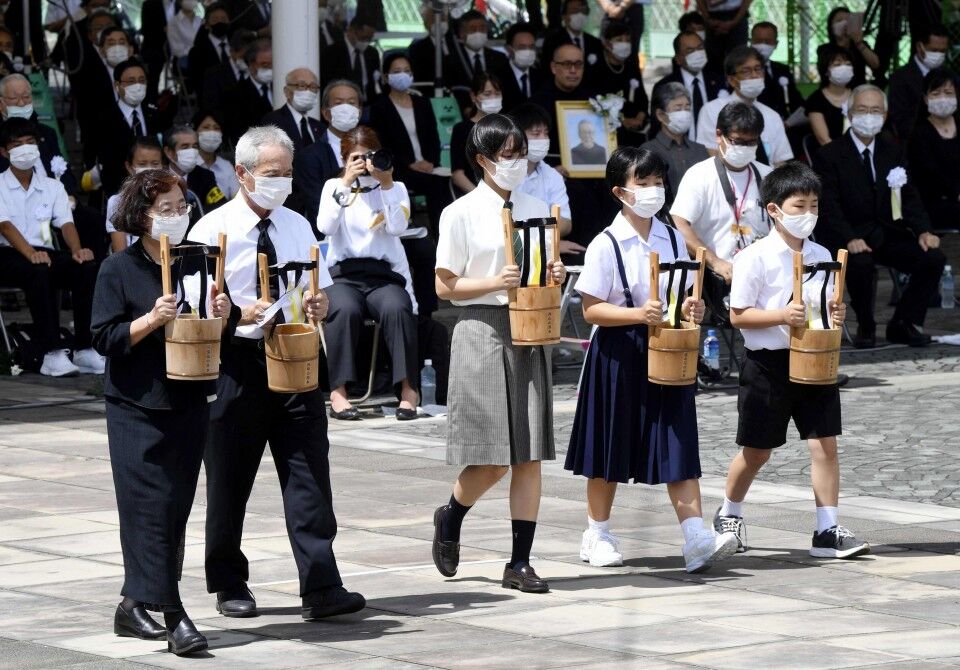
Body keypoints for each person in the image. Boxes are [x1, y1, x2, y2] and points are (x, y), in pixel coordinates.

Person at [188, 125, 365, 621]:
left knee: (309, 471)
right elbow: (194, 305)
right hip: (238, 362)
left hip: (295, 355)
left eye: (287, 174)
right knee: (228, 478)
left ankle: (321, 583)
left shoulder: (297, 225)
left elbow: (320, 288)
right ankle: (228, 581)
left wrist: (320, 301)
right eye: (272, 174)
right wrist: (236, 313)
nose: (281, 182)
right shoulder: (211, 230)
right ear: (242, 174)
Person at [565, 147, 737, 571]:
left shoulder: (672, 235)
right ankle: (597, 533)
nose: (653, 191)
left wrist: (693, 309)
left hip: (668, 349)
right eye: (643, 183)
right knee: (609, 446)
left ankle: (696, 535)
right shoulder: (606, 243)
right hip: (619, 354)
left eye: (658, 182)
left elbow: (682, 291)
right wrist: (636, 314)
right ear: (620, 191)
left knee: (678, 439)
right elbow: (590, 309)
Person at [91, 169, 237, 656]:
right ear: (141, 217)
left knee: (174, 509)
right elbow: (104, 338)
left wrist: (223, 312)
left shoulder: (197, 261)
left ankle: (132, 606)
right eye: (165, 210)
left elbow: (221, 324)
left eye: (182, 207)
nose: (177, 216)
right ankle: (175, 617)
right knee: (148, 509)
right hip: (135, 405)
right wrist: (151, 319)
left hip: (189, 397)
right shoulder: (118, 268)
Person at [431, 114, 566, 593]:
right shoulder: (461, 212)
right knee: (493, 455)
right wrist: (495, 281)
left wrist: (554, 275)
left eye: (521, 151)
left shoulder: (538, 205)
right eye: (506, 154)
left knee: (528, 452)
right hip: (482, 325)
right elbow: (445, 285)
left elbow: (546, 269)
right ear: (483, 160)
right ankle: (451, 514)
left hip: (530, 325)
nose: (517, 161)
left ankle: (520, 561)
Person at [714, 161, 870, 560]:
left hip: (814, 361)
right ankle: (729, 512)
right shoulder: (754, 257)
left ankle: (827, 527)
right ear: (774, 209)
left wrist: (836, 315)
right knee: (757, 450)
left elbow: (827, 306)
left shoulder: (823, 254)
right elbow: (738, 315)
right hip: (767, 364)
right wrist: (781, 315)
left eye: (814, 206)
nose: (808, 215)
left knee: (825, 444)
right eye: (799, 206)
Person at [813, 84, 945, 349]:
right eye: (862, 109)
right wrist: (849, 237)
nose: (869, 115)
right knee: (860, 263)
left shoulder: (892, 149)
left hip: (886, 232)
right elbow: (828, 205)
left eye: (876, 110)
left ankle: (904, 322)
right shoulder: (830, 154)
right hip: (847, 235)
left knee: (933, 258)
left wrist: (923, 231)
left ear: (884, 116)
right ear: (849, 113)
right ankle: (866, 324)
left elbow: (908, 195)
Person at [316, 126, 419, 421]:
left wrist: (385, 184)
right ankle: (338, 392)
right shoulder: (332, 187)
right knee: (343, 309)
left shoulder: (394, 188)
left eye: (370, 157)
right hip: (343, 274)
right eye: (357, 158)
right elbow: (325, 226)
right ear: (345, 158)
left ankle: (409, 391)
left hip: (382, 274)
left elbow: (398, 228)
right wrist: (346, 181)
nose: (364, 164)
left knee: (397, 307)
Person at [0, 118, 103, 376]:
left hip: (43, 252)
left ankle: (85, 348)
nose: (25, 149)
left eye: (30, 143)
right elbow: (5, 227)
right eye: (17, 144)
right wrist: (30, 254)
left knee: (86, 267)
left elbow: (66, 223)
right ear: (4, 151)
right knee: (39, 270)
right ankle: (51, 353)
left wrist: (77, 249)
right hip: (6, 254)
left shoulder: (52, 186)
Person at [671, 103, 772, 319]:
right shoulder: (699, 175)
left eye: (752, 142)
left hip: (763, 272)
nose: (745, 148)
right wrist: (715, 262)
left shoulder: (768, 176)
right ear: (720, 135)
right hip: (717, 274)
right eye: (738, 141)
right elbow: (679, 223)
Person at [369, 52, 451, 233]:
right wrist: (411, 164)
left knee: (443, 182)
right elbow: (383, 144)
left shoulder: (422, 103)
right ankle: (434, 236)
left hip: (428, 167)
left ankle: (445, 235)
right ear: (386, 77)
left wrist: (430, 161)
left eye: (406, 71)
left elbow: (433, 137)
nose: (402, 74)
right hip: (400, 168)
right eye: (397, 71)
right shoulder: (380, 107)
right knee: (435, 184)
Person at [695, 45, 793, 166]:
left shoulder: (772, 116)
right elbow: (710, 153)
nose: (754, 75)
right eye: (746, 71)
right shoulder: (711, 110)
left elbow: (780, 161)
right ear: (731, 80)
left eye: (758, 69)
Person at [293, 79, 362, 227]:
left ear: (359, 112)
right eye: (338, 103)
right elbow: (316, 206)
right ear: (326, 113)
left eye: (351, 103)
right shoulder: (309, 157)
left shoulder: (372, 150)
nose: (346, 108)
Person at [89, 58, 161, 197]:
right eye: (131, 81)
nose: (137, 85)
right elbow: (103, 160)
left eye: (141, 80)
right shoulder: (103, 119)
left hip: (155, 188)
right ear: (117, 86)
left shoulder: (154, 114)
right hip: (118, 190)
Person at [641, 82, 708, 209]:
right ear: (661, 115)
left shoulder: (700, 150)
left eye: (687, 108)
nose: (684, 113)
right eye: (678, 109)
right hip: (665, 223)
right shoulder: (648, 151)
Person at [511, 103, 572, 237]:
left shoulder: (553, 175)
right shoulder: (504, 172)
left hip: (544, 247)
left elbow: (566, 222)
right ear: (517, 136)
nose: (543, 139)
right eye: (536, 134)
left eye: (546, 133)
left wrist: (542, 242)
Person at [908, 69, 960, 226]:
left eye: (948, 93)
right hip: (936, 201)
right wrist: (956, 193)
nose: (943, 98)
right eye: (936, 94)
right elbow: (930, 174)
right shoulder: (919, 134)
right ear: (925, 98)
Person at [650, 30, 724, 140]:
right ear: (678, 59)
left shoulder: (718, 81)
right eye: (690, 51)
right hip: (679, 150)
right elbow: (657, 127)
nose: (697, 53)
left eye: (700, 48)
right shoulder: (664, 86)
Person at [531, 43, 595, 164]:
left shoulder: (593, 101)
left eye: (578, 64)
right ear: (553, 67)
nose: (573, 70)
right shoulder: (537, 103)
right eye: (566, 64)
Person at [887, 24, 952, 141]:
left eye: (943, 51)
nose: (939, 55)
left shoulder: (950, 77)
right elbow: (899, 120)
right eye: (934, 50)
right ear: (919, 47)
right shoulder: (900, 78)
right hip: (914, 145)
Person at [105, 136, 165, 253]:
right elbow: (120, 253)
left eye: (155, 163)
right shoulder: (117, 202)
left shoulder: (171, 198)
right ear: (130, 167)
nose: (149, 170)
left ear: (162, 166)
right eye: (143, 164)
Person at [592, 21, 648, 142]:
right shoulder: (597, 69)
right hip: (608, 130)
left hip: (636, 130)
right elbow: (596, 102)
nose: (624, 44)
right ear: (607, 44)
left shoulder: (631, 66)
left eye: (627, 40)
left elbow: (642, 98)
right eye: (619, 40)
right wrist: (622, 120)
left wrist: (639, 117)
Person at [450, 72, 502, 195]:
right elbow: (457, 175)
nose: (493, 98)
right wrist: (480, 196)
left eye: (497, 94)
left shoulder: (508, 127)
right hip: (476, 195)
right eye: (487, 94)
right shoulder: (461, 130)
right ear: (473, 96)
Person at [161, 125, 226, 216]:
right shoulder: (158, 178)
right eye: (185, 147)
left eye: (195, 146)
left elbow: (220, 208)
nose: (191, 151)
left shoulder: (205, 176)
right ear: (169, 152)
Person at [446, 9, 509, 94]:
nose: (478, 32)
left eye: (482, 28)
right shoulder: (451, 60)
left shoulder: (500, 58)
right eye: (472, 29)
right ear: (461, 33)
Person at [262, 67, 325, 151]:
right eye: (301, 86)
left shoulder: (319, 127)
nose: (308, 91)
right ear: (287, 92)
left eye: (313, 87)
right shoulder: (272, 122)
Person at [223, 38, 274, 143]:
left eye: (272, 64)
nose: (270, 68)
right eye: (264, 65)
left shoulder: (283, 88)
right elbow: (237, 131)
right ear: (251, 65)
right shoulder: (235, 94)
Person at [750, 21, 803, 121]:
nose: (763, 45)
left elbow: (795, 100)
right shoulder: (742, 70)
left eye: (768, 42)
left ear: (776, 44)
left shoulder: (783, 70)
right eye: (758, 41)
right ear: (751, 42)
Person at [816, 6, 879, 90]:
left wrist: (859, 43)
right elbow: (824, 72)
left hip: (857, 93)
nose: (844, 24)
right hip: (833, 93)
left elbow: (875, 64)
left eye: (847, 20)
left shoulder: (860, 46)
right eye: (839, 21)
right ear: (831, 27)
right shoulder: (824, 49)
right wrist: (841, 41)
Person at [320, 16, 381, 103]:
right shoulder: (332, 53)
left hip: (368, 105)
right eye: (363, 38)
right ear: (351, 31)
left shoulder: (372, 53)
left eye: (369, 39)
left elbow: (376, 82)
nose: (366, 42)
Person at [805, 45, 855, 147]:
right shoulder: (815, 101)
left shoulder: (860, 95)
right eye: (837, 64)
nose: (844, 68)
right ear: (826, 71)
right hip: (832, 155)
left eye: (848, 64)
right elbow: (824, 140)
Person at [408, 3, 456, 96]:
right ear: (425, 24)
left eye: (442, 18)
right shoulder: (417, 49)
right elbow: (422, 81)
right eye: (433, 19)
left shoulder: (456, 45)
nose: (439, 22)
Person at [186, 2, 232, 96]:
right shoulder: (197, 53)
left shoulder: (237, 45)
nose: (220, 22)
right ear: (207, 25)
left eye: (223, 19)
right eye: (215, 19)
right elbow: (199, 85)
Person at [194, 109, 240, 201]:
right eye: (206, 127)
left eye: (216, 128)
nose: (211, 132)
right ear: (195, 132)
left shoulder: (226, 166)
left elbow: (237, 199)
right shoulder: (189, 164)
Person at [541, 0, 603, 68]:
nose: (580, 15)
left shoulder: (595, 43)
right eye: (574, 11)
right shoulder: (552, 42)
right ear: (564, 16)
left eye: (583, 11)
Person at [497, 22, 542, 114]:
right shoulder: (497, 77)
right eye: (522, 47)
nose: (528, 51)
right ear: (509, 49)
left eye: (531, 47)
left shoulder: (542, 76)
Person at [696, 0, 752, 70]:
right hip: (711, 16)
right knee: (712, 58)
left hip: (737, 15)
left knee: (738, 59)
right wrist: (707, 18)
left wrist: (735, 21)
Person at [167, 0, 202, 71]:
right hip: (183, 60)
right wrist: (196, 51)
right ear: (180, 2)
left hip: (201, 57)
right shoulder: (173, 22)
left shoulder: (200, 21)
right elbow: (176, 49)